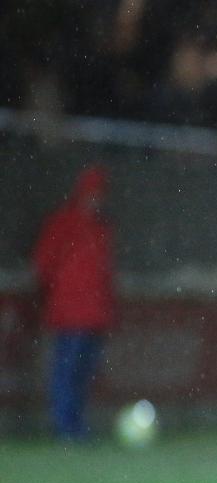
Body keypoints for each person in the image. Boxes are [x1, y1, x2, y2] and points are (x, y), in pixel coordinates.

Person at [32, 166, 117, 441]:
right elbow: (43, 265)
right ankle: (64, 428)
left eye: (99, 195)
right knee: (67, 372)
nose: (97, 200)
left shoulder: (101, 229)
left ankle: (75, 427)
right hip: (70, 315)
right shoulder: (64, 223)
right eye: (93, 194)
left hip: (93, 316)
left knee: (81, 375)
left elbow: (104, 275)